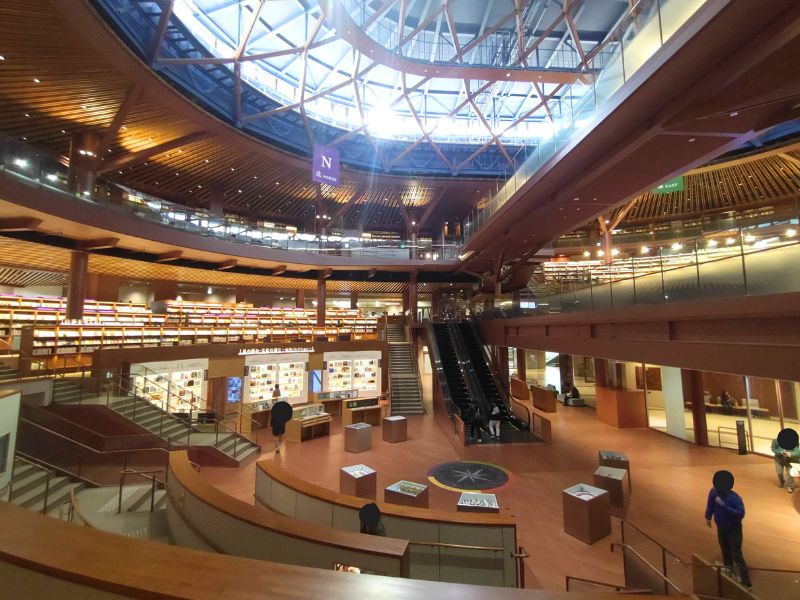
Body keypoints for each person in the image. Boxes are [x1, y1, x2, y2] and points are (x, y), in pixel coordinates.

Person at [704, 470, 751, 589]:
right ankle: (730, 572)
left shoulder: (735, 498)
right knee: (725, 551)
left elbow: (740, 514)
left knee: (736, 554)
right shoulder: (713, 492)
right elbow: (710, 504)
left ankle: (746, 581)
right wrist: (708, 516)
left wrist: (724, 506)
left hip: (734, 529)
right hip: (721, 527)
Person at [771, 428, 800, 493]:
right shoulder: (775, 441)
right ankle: (782, 482)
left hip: (789, 459)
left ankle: (790, 487)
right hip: (779, 458)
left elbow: (798, 452)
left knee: (790, 473)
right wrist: (779, 452)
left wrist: (791, 454)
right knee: (779, 472)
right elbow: (773, 449)